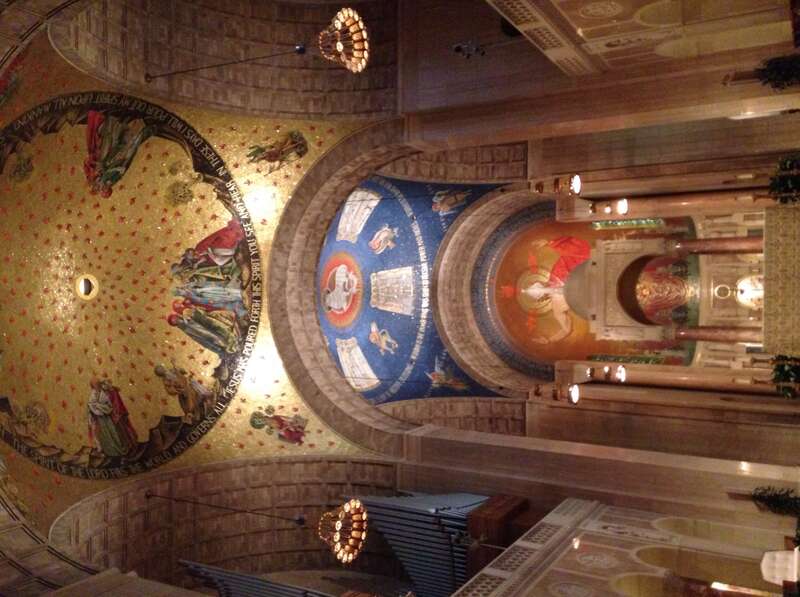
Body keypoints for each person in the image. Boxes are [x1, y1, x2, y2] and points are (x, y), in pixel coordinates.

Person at [87, 379, 138, 458]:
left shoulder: (106, 391)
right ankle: (110, 450)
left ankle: (122, 448)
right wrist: (95, 408)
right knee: (105, 434)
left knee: (115, 432)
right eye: (94, 385)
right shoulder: (93, 394)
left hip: (109, 417)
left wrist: (101, 406)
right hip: (101, 418)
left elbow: (111, 403)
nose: (96, 386)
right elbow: (91, 404)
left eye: (97, 384)